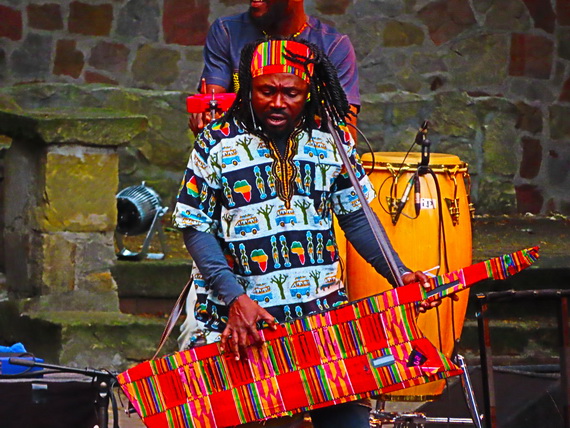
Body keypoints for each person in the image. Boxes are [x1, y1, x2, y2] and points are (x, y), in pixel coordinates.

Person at [173, 37, 440, 428]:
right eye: (267, 91)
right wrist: (235, 299)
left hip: (322, 321)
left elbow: (356, 217)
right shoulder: (215, 142)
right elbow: (195, 227)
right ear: (248, 88)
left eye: (291, 93)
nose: (278, 102)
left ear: (309, 92)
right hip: (246, 327)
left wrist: (398, 273)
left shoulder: (333, 141)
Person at [188, 0, 360, 136]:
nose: (277, 102)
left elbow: (346, 132)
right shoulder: (227, 32)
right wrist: (206, 120)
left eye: (292, 93)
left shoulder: (333, 46)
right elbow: (211, 108)